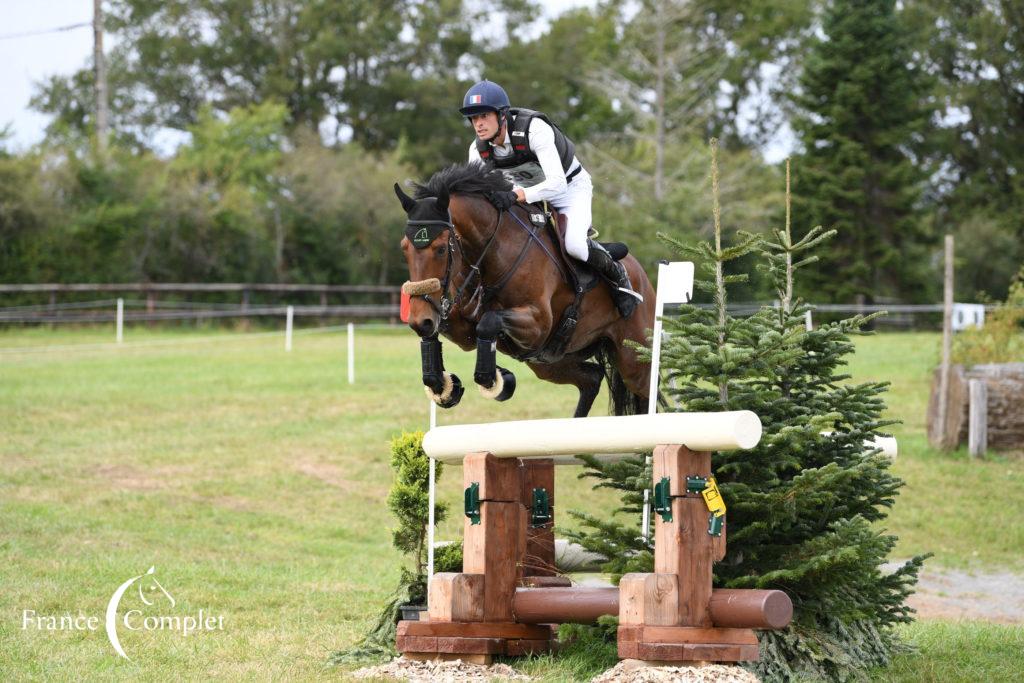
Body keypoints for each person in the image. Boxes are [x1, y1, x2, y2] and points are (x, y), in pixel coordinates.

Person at [459, 79, 642, 318]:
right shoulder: (478, 149)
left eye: (484, 116)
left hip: (569, 188)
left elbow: (557, 184)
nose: (479, 124)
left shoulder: (533, 129)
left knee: (574, 245)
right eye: (474, 118)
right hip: (526, 192)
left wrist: (516, 194)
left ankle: (618, 276)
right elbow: (477, 194)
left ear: (502, 115)